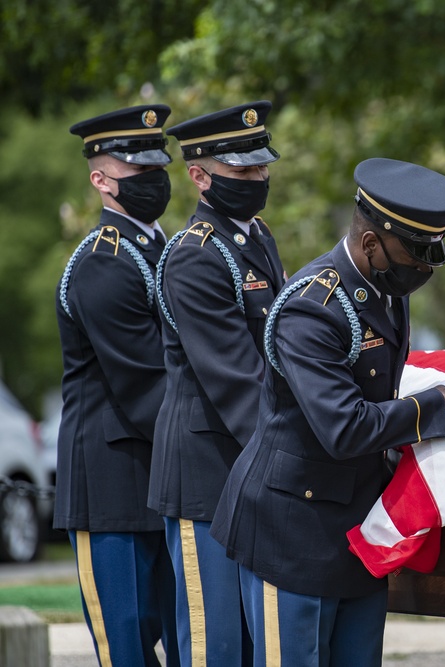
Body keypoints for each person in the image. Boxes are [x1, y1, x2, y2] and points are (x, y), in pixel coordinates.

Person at [210, 157, 445, 666]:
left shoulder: (385, 289)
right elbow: (344, 428)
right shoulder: (313, 307)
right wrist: (442, 399)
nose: (425, 268)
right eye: (416, 254)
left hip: (355, 528)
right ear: (371, 245)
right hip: (292, 529)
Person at [150, 101, 286, 666]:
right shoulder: (195, 257)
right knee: (216, 644)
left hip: (246, 466)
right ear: (199, 176)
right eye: (241, 171)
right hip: (205, 472)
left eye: (261, 168)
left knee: (256, 642)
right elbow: (236, 379)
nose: (256, 179)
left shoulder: (256, 237)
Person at [57, 104, 179, 666]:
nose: (154, 182)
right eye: (138, 173)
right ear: (101, 181)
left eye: (159, 169)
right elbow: (144, 383)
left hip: (161, 475)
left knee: (182, 638)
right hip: (112, 487)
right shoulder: (103, 263)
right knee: (127, 648)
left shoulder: (162, 250)